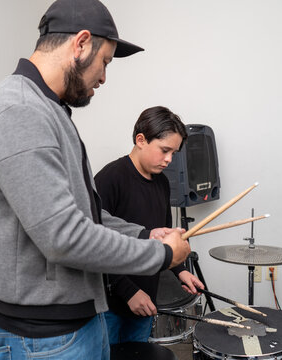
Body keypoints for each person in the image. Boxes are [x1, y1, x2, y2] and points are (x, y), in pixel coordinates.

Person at [0, 0, 191, 359]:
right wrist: (160, 253)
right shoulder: (18, 111)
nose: (104, 77)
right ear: (81, 43)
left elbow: (87, 216)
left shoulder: (49, 111)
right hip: (43, 340)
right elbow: (63, 237)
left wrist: (142, 234)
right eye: (104, 62)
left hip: (77, 325)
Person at [94, 106, 204, 344]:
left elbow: (164, 237)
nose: (169, 160)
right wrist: (129, 292)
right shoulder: (109, 178)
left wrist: (180, 270)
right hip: (111, 303)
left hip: (147, 298)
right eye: (165, 150)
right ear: (141, 140)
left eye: (173, 153)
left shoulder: (162, 183)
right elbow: (95, 246)